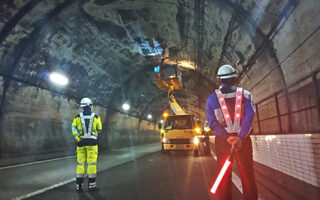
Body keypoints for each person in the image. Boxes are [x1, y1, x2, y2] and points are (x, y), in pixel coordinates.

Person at [206, 65, 258, 200]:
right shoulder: (246, 95)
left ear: (219, 80)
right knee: (247, 176)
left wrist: (226, 137)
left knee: (224, 177)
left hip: (223, 143)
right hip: (243, 142)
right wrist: (239, 138)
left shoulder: (212, 99)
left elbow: (212, 122)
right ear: (235, 78)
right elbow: (249, 117)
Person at [72, 97, 102, 192]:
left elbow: (73, 128)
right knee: (91, 164)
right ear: (89, 106)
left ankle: (79, 186)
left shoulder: (77, 117)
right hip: (92, 143)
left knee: (80, 164)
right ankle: (91, 186)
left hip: (81, 143)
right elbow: (99, 128)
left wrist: (78, 138)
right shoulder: (96, 117)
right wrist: (94, 135)